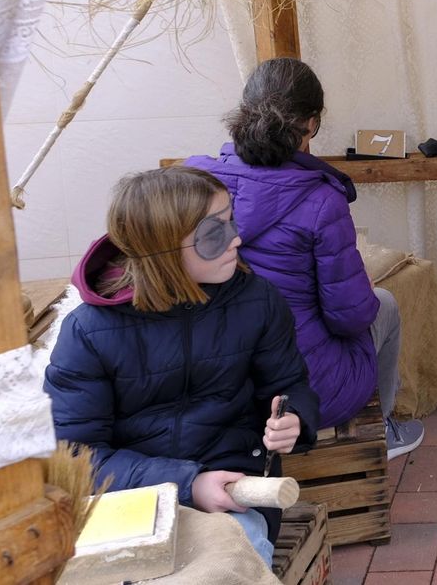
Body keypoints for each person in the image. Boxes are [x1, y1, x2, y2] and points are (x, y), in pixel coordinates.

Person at [44, 166, 318, 568]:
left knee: (234, 564)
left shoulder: (257, 300)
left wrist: (294, 417)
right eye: (213, 233)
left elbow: (288, 383)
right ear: (164, 250)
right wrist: (187, 484)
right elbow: (73, 455)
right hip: (127, 505)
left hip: (231, 494)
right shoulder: (89, 330)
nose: (236, 239)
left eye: (230, 222)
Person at [187, 58, 421, 459]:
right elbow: (348, 316)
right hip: (297, 394)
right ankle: (383, 430)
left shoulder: (195, 183)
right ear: (311, 124)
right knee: (383, 304)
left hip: (211, 387)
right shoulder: (320, 199)